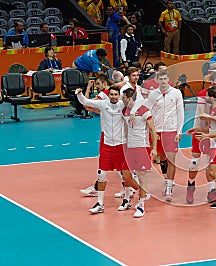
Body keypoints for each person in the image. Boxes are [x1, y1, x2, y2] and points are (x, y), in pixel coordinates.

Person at [76, 86, 133, 214]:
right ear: (109, 95)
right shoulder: (102, 104)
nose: (113, 96)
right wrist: (79, 94)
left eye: (115, 94)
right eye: (111, 94)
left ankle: (127, 200)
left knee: (125, 174)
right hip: (107, 145)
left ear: (119, 96)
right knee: (101, 174)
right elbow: (86, 101)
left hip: (121, 145)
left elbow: (136, 106)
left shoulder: (123, 105)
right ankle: (100, 203)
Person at [185, 72, 216, 204]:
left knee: (211, 164)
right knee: (194, 162)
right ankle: (190, 187)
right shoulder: (203, 94)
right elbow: (202, 115)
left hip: (212, 134)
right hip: (200, 130)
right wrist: (215, 118)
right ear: (211, 82)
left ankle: (212, 191)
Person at [146, 70, 184, 201]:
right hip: (157, 131)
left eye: (165, 78)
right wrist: (150, 130)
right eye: (160, 79)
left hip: (171, 130)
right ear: (156, 80)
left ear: (168, 79)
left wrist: (179, 131)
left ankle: (169, 186)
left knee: (172, 159)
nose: (163, 81)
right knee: (162, 157)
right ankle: (167, 178)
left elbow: (180, 113)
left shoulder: (176, 93)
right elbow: (147, 112)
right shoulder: (152, 95)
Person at [121, 88, 157, 218]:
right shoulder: (125, 111)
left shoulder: (144, 111)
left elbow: (153, 130)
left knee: (142, 177)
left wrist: (154, 148)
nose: (122, 100)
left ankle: (141, 206)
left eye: (123, 97)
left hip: (142, 147)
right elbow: (126, 128)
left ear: (129, 98)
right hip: (130, 148)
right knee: (125, 175)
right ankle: (143, 193)